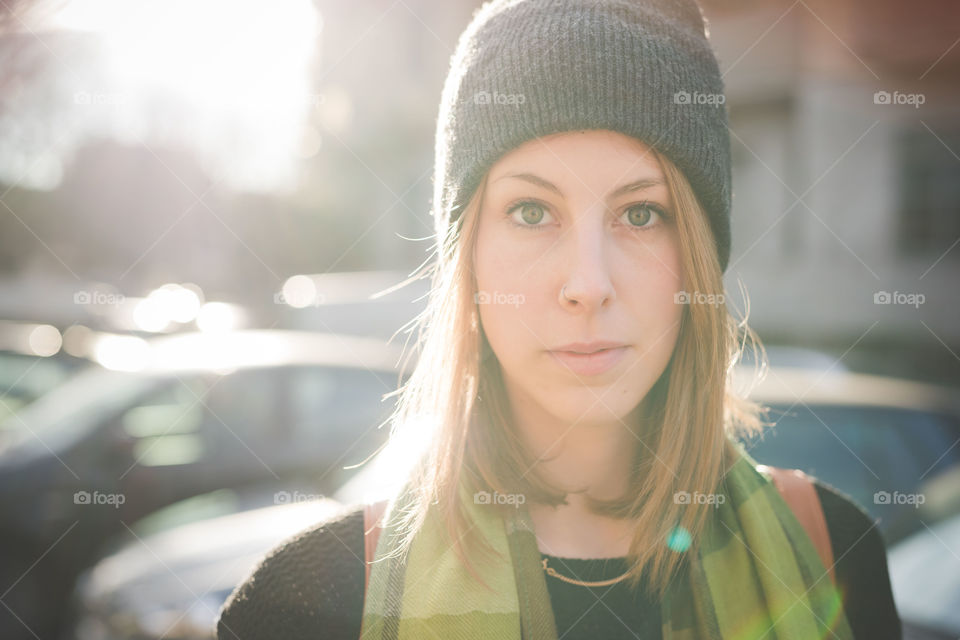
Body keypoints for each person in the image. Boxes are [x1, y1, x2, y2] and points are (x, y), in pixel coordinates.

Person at [216, 0, 901, 638]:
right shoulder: (314, 602)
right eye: (532, 212)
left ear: (697, 256)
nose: (588, 284)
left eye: (641, 214)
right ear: (469, 257)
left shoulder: (831, 553)